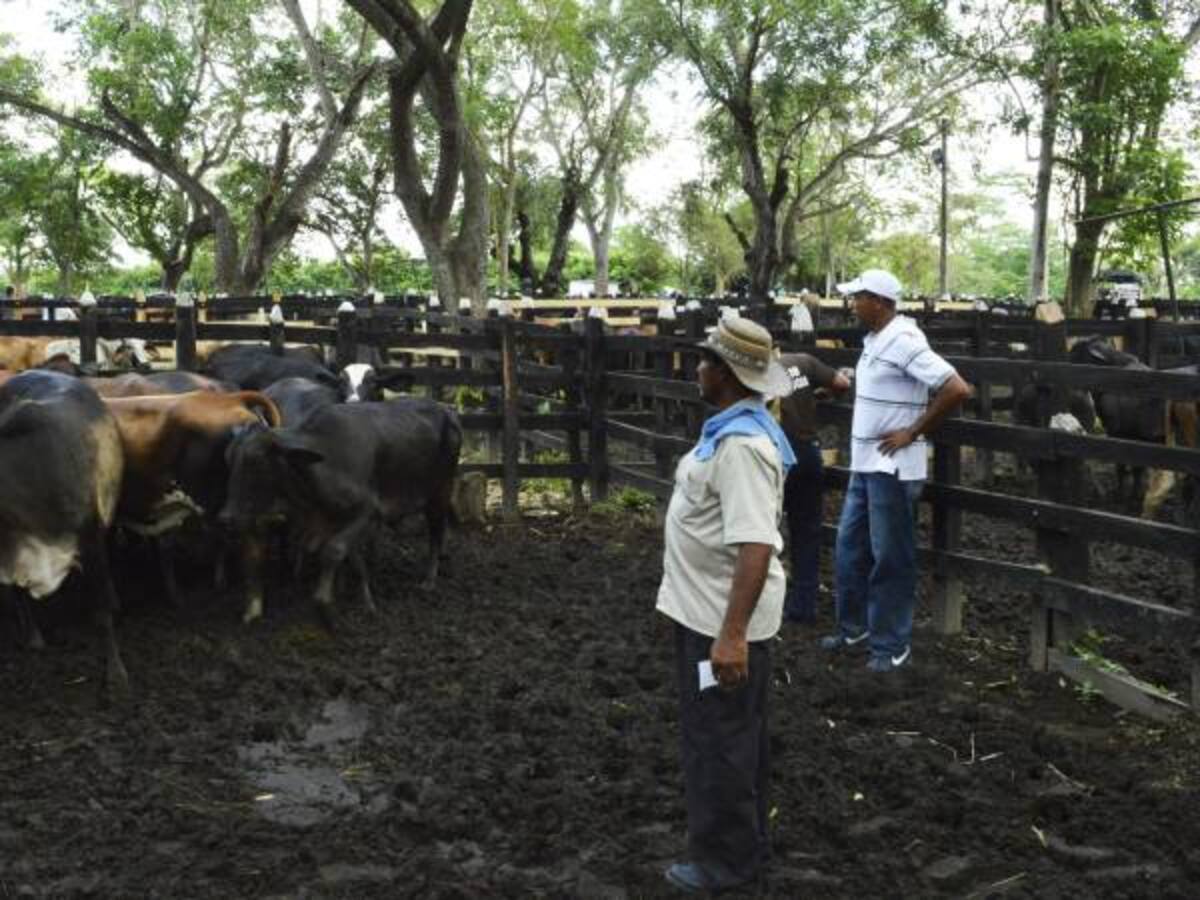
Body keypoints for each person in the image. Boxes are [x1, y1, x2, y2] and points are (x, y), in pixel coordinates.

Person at [656, 316, 795, 894]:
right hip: (707, 613)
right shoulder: (730, 432)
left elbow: (756, 542)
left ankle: (724, 865)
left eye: (705, 361)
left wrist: (732, 634)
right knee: (731, 736)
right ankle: (744, 849)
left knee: (719, 741)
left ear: (726, 374)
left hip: (720, 622)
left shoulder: (741, 447)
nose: (697, 369)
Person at [822, 269, 971, 672]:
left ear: (879, 302)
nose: (852, 304)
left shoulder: (904, 339)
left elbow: (956, 387)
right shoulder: (875, 339)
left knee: (890, 557)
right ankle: (854, 629)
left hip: (892, 469)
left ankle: (891, 646)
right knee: (850, 549)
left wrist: (913, 431)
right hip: (866, 465)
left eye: (858, 297)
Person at [776, 352, 850, 624]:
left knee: (763, 528)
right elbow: (842, 383)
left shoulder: (753, 370)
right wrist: (817, 395)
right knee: (807, 530)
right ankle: (803, 605)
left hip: (772, 454)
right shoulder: (802, 362)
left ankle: (764, 601)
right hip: (806, 452)